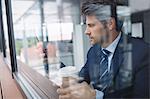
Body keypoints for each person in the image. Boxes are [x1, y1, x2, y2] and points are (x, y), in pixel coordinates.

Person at [57, 1, 150, 99]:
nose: (86, 32)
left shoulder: (143, 53)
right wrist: (70, 82)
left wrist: (96, 96)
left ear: (110, 24)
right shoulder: (93, 52)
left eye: (91, 25)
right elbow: (83, 78)